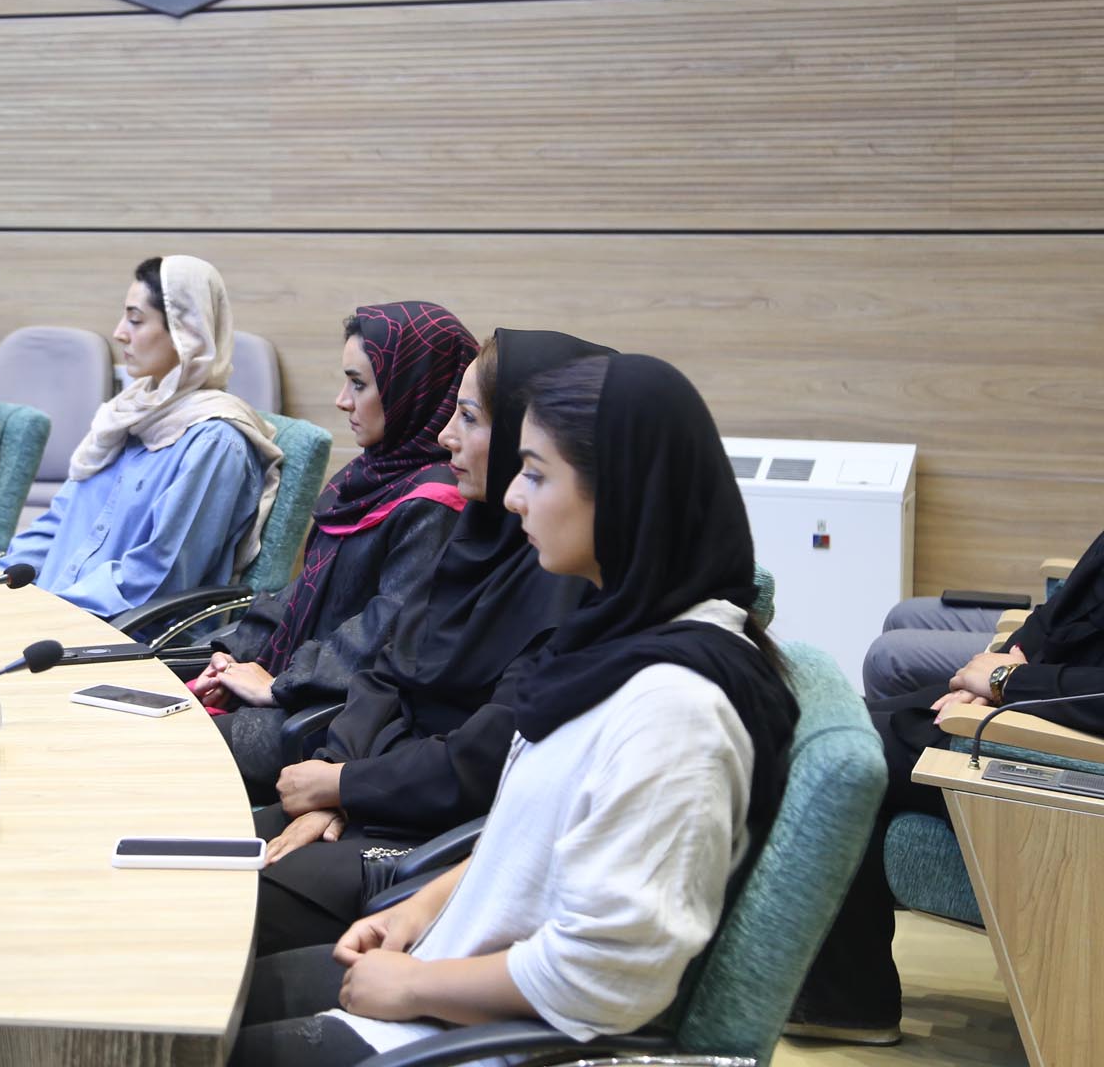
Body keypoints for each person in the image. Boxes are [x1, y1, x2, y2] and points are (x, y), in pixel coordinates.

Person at [230, 355, 799, 1066]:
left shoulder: (676, 711)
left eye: (534, 473)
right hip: (444, 964)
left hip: (458, 1037)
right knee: (192, 992)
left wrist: (416, 987)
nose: (513, 497)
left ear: (620, 494)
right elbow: (541, 837)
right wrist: (423, 906)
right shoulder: (616, 640)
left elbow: (609, 979)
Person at [253, 329, 611, 957]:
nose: (446, 436)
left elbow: (485, 756)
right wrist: (337, 780)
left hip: (438, 837)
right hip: (376, 792)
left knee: (226, 898)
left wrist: (347, 786)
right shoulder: (479, 534)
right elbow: (385, 671)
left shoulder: (569, 579)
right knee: (199, 840)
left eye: (468, 417)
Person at [792, 525, 1104, 1044]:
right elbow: (1065, 610)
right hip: (1042, 701)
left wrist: (1008, 682)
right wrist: (1004, 665)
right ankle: (840, 1001)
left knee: (841, 750)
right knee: (838, 720)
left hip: (1069, 742)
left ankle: (842, 1002)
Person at [190, 303, 477, 798]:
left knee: (166, 744)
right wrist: (232, 658)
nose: (342, 401)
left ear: (413, 387)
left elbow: (385, 633)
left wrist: (277, 684)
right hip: (294, 686)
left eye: (359, 384)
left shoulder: (437, 501)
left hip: (336, 719)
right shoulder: (370, 475)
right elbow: (301, 589)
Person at [0, 256, 282, 617]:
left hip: (116, 631)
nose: (119, 332)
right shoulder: (127, 414)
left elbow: (157, 576)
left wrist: (51, 612)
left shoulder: (215, 442)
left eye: (135, 320)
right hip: (52, 613)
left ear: (185, 332)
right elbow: (59, 525)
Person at [861, 594, 1015, 700]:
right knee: (901, 615)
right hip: (1028, 632)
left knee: (885, 656)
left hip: (1028, 669)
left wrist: (1005, 680)